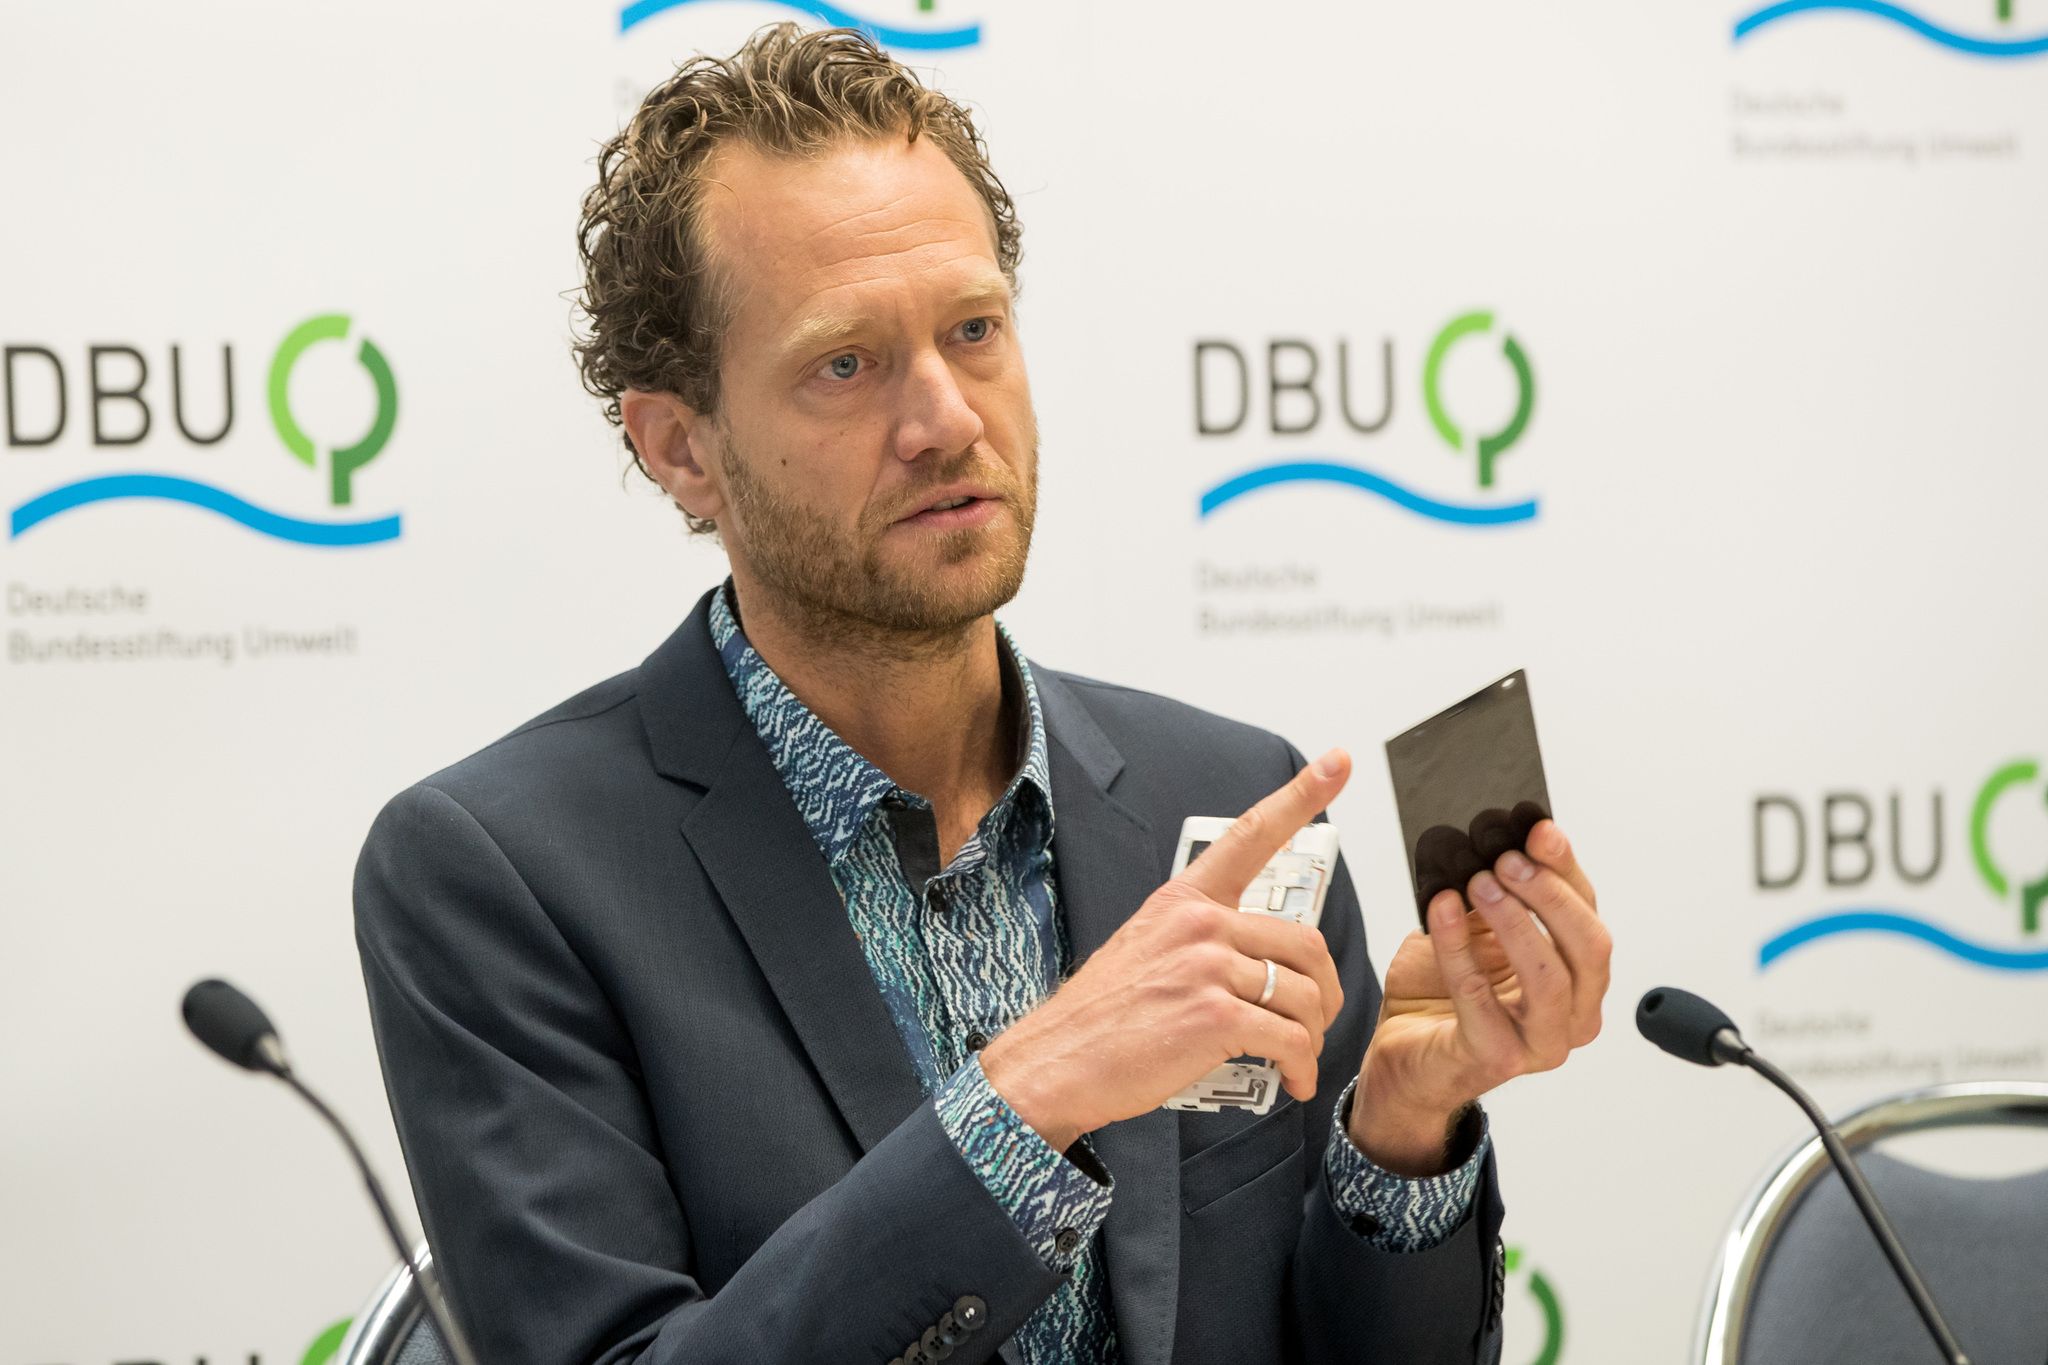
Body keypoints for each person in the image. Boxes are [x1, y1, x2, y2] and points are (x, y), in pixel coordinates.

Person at [354, 24, 1612, 1365]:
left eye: (974, 330)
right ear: (680, 447)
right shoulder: (498, 877)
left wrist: (1403, 1131)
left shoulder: (1227, 797)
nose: (947, 418)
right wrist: (1028, 1091)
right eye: (845, 363)